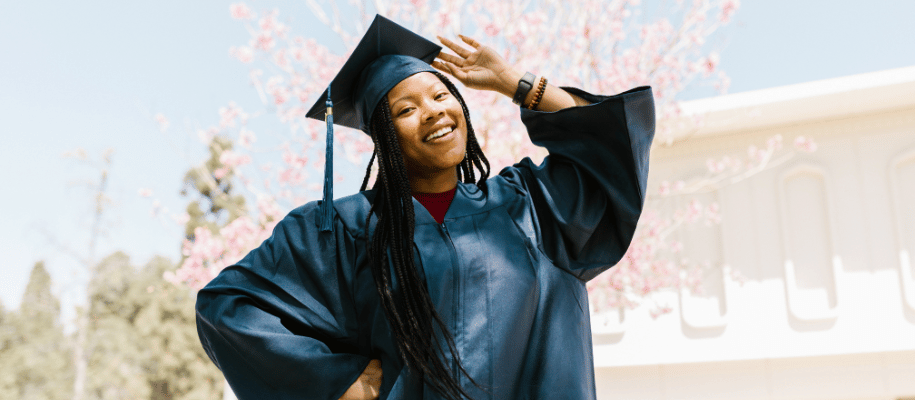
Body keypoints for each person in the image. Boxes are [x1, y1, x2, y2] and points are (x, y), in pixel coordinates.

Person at [195, 14, 655, 400]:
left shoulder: (529, 207)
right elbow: (228, 308)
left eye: (440, 96)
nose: (434, 112)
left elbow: (606, 147)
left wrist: (514, 82)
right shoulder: (340, 229)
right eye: (405, 109)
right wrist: (339, 380)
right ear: (383, 138)